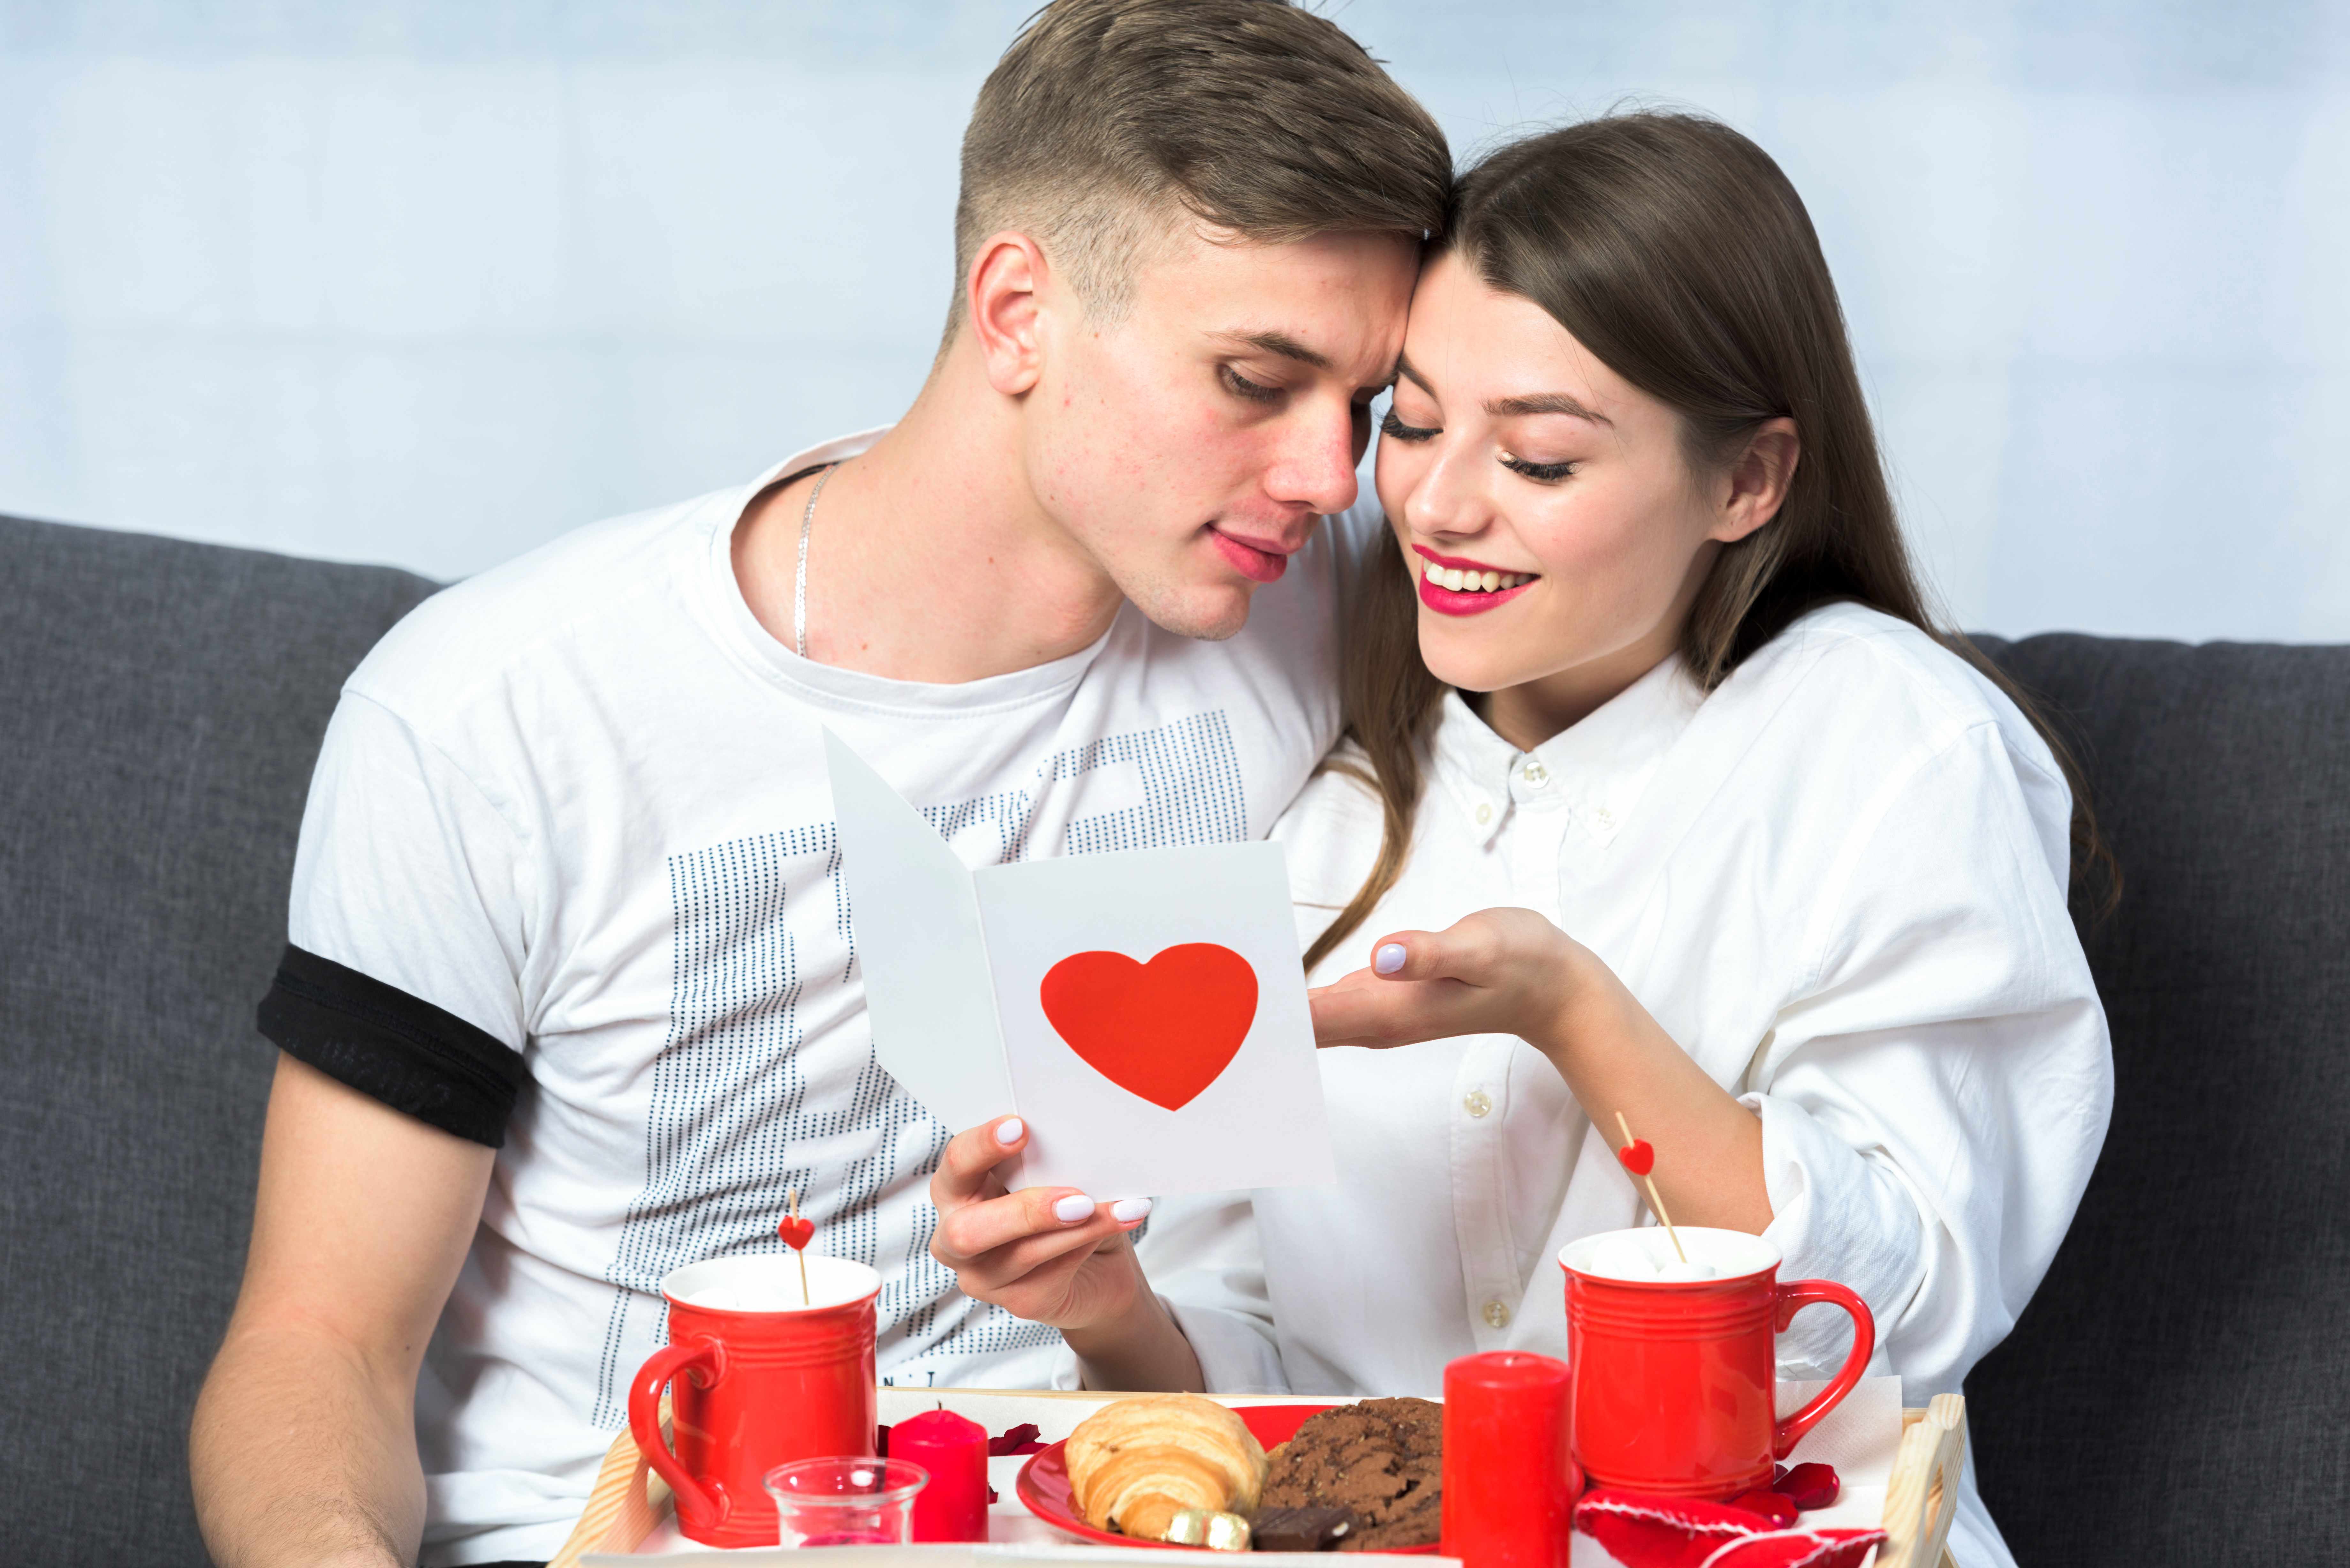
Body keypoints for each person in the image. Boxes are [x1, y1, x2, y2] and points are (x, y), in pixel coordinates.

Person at [186, 4, 1450, 1564]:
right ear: (1017, 312)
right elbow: (321, 1346)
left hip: (1100, 1512)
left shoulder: (1322, 606)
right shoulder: (497, 718)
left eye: (1364, 405)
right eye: (1257, 378)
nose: (1334, 476)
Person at [935, 113, 2112, 1568]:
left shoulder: (1888, 744)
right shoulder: (1330, 791)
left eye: (1540, 458)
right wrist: (1108, 1302)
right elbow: (1249, 1423)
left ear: (1747, 482)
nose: (1432, 503)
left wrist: (1572, 1016)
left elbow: (1905, 1309)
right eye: (1413, 423)